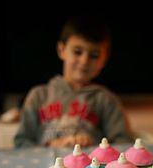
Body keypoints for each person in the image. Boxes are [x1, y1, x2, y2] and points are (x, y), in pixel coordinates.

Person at [14, 15, 134, 148]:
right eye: (77, 52)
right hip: (46, 166)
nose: (84, 61)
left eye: (94, 55)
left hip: (89, 167)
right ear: (62, 50)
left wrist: (95, 147)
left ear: (104, 60)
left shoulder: (106, 100)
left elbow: (123, 144)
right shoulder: (38, 95)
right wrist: (51, 145)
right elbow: (21, 143)